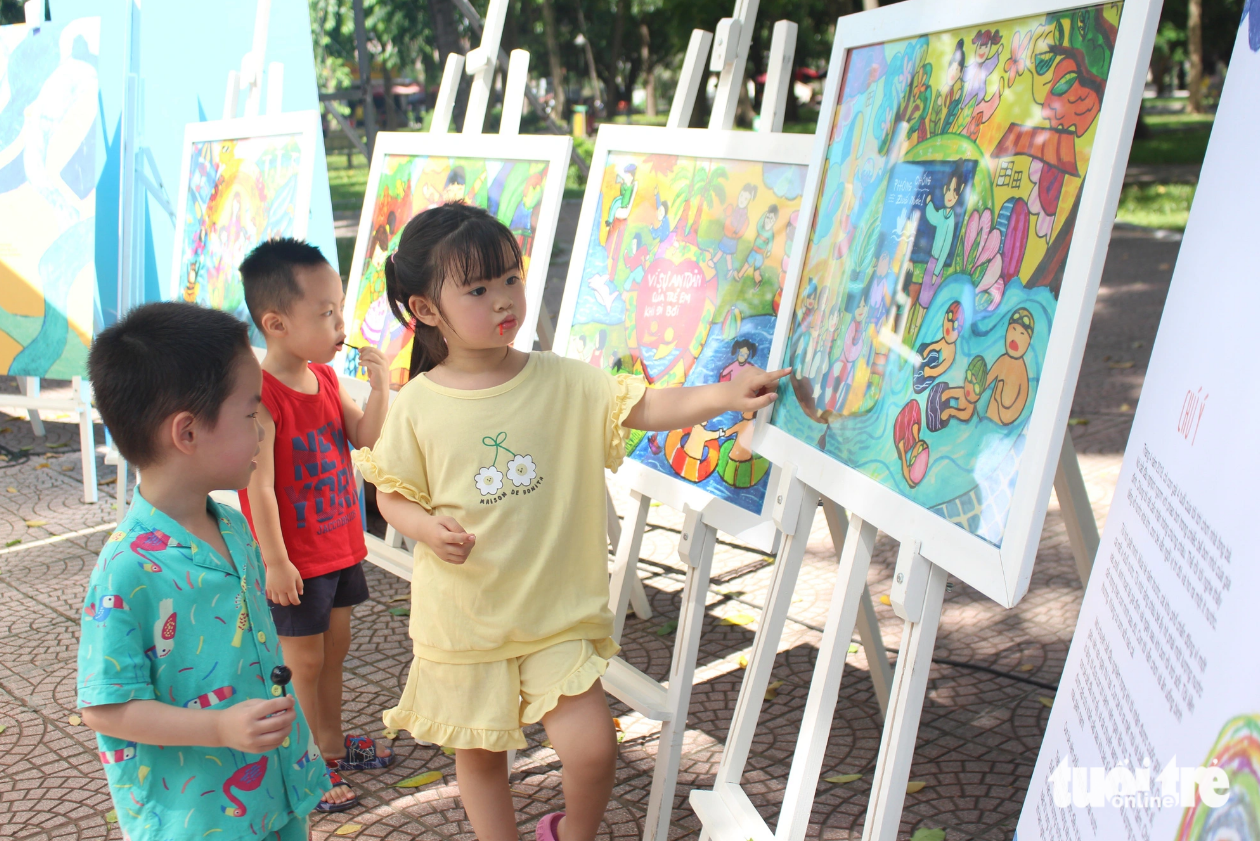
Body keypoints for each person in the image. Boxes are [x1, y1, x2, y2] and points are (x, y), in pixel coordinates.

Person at [354, 203, 787, 841]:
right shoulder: (418, 404)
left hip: (555, 617)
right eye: (477, 289)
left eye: (510, 278)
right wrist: (422, 527)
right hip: (466, 622)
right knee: (480, 759)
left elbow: (643, 406)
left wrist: (725, 395)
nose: (504, 299)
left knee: (591, 751)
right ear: (425, 310)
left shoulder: (561, 380)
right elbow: (390, 493)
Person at [77, 302, 332, 841]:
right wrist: (216, 727)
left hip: (277, 788)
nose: (262, 431)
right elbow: (105, 707)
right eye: (249, 414)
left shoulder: (235, 528)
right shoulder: (126, 570)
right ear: (187, 433)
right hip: (199, 817)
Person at [238, 239, 394, 812]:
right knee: (301, 662)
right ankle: (301, 767)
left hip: (340, 547)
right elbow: (256, 488)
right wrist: (276, 561)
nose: (340, 324)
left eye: (340, 310)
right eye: (326, 313)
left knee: (335, 651)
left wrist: (378, 390)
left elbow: (365, 437)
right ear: (276, 323)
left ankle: (329, 745)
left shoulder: (324, 379)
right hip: (295, 561)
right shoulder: (262, 399)